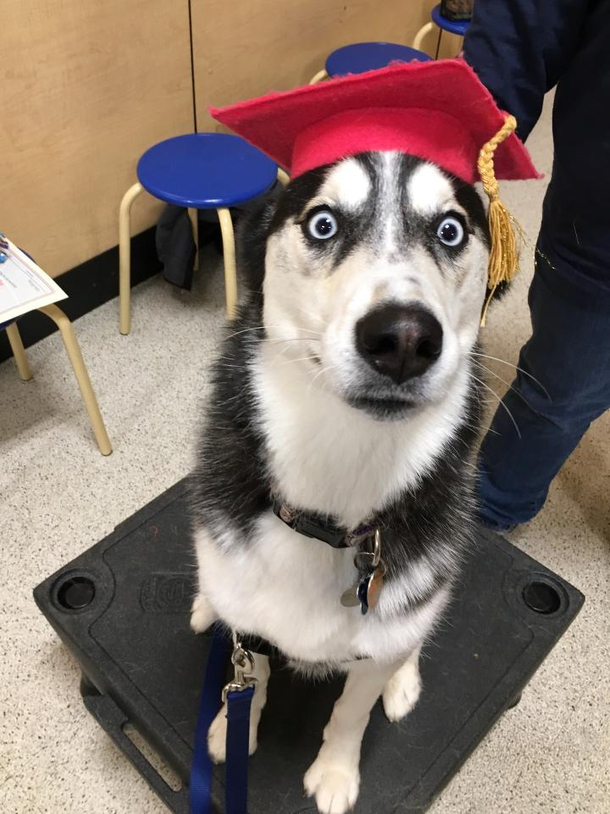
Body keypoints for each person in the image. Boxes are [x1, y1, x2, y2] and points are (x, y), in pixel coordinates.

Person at [463, 0, 610, 531]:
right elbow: (519, 29)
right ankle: (491, 511)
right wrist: (467, 138)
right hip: (601, 243)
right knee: (558, 397)